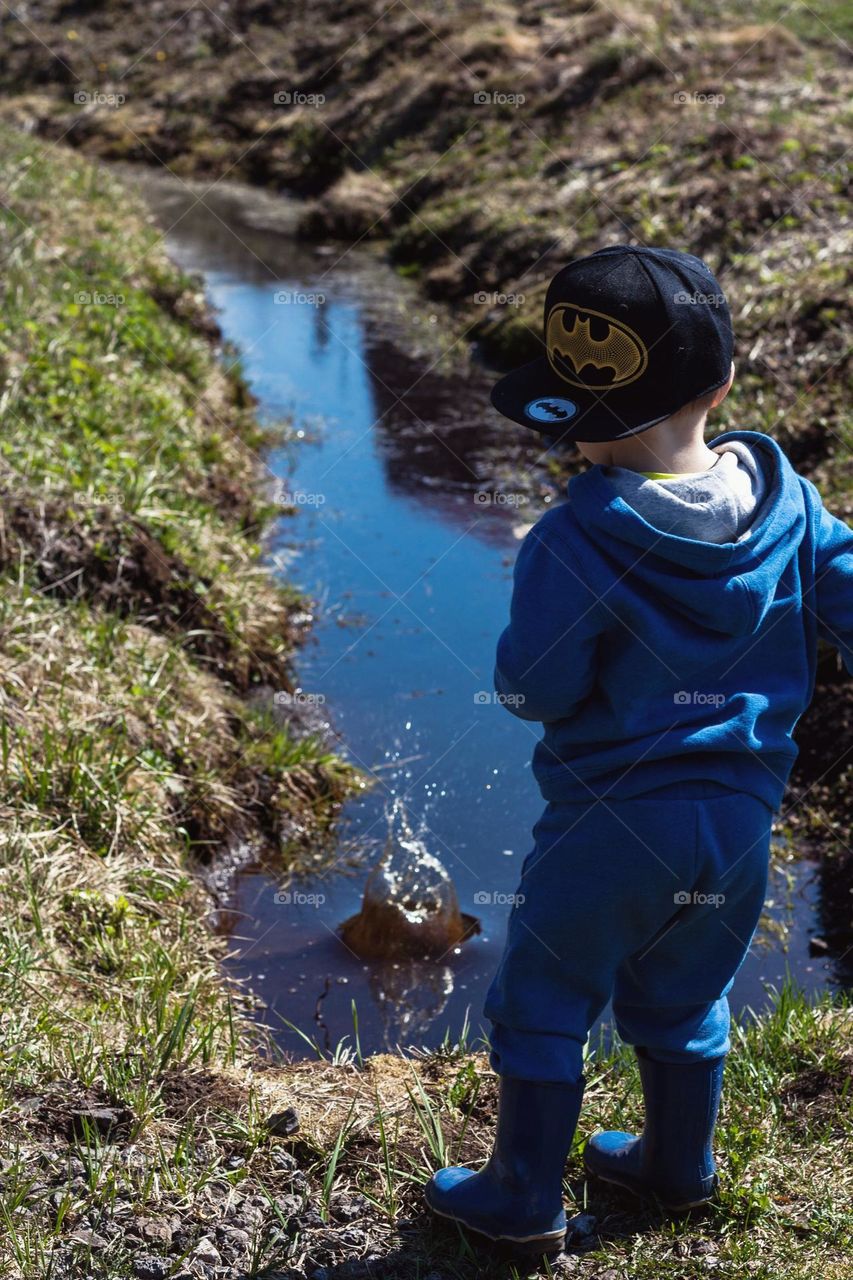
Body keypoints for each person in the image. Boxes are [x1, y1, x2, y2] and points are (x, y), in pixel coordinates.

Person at [425, 245, 853, 1254]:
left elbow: (537, 687)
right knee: (682, 989)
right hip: (740, 823)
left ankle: (522, 1195)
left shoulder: (576, 538)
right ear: (723, 382)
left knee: (544, 993)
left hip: (610, 824)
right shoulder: (786, 502)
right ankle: (676, 1162)